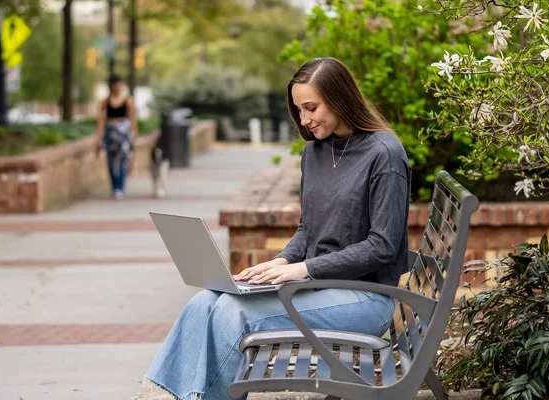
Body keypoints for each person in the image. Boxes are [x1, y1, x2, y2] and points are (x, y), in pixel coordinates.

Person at [133, 57, 411, 400]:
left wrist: (303, 268)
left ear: (340, 98)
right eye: (298, 110)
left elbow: (382, 246)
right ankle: (162, 394)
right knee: (204, 302)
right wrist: (280, 263)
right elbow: (308, 229)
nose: (305, 120)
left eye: (311, 107)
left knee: (233, 315)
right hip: (319, 286)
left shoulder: (385, 154)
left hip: (365, 298)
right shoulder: (315, 152)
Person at [95, 74, 138, 200]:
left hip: (123, 133)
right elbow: (101, 119)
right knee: (110, 160)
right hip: (110, 133)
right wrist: (99, 136)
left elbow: (132, 117)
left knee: (122, 160)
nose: (117, 87)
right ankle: (114, 185)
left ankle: (120, 187)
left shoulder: (127, 100)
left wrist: (134, 134)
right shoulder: (106, 101)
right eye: (115, 84)